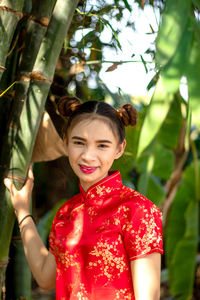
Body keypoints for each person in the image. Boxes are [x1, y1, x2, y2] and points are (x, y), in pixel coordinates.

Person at [4, 97, 163, 300]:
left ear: (119, 149)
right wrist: (23, 211)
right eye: (79, 142)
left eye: (102, 146)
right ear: (65, 142)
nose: (88, 155)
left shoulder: (138, 210)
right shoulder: (67, 212)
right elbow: (45, 277)